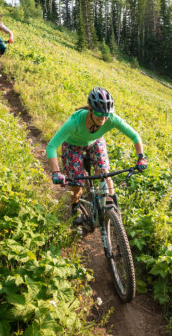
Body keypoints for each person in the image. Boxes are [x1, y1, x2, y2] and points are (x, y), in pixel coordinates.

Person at [47, 87, 147, 229]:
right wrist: (56, 171)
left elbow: (135, 136)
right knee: (77, 184)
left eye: (107, 114)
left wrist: (141, 157)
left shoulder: (110, 118)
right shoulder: (75, 121)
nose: (103, 117)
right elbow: (51, 146)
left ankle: (112, 210)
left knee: (105, 173)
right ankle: (76, 207)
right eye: (99, 113)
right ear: (91, 110)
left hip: (95, 142)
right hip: (72, 145)